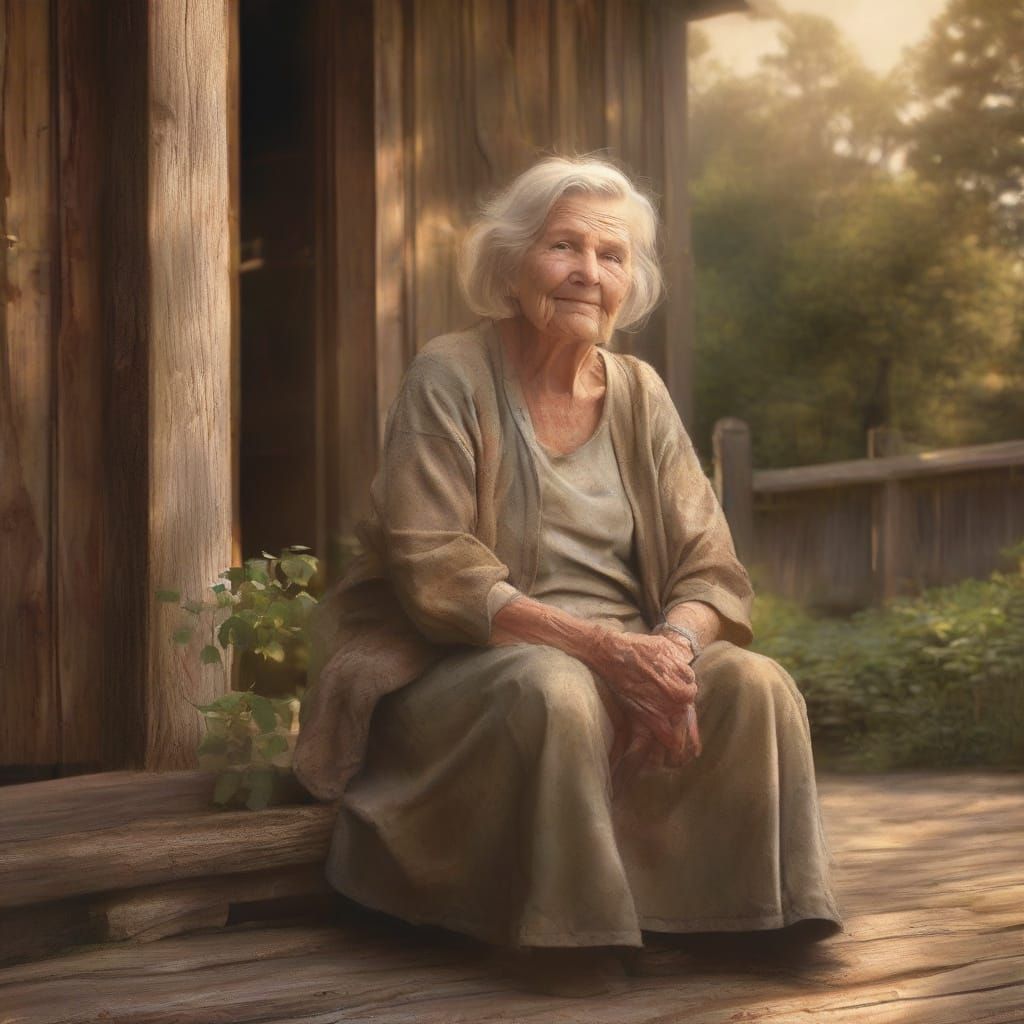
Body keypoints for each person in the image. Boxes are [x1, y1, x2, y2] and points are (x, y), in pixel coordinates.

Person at [292, 154, 844, 996]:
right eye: (563, 247)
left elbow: (711, 567)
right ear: (512, 262)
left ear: (630, 281)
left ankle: (755, 915)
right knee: (556, 688)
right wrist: (604, 652)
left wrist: (668, 654)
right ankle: (566, 930)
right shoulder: (450, 373)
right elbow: (434, 564)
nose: (589, 271)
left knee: (756, 683)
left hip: (626, 653)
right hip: (467, 663)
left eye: (611, 255)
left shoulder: (640, 392)